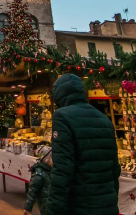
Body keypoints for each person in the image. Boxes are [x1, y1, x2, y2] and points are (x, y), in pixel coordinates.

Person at [44, 74, 120, 215]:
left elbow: (62, 170)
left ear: (59, 95)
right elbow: (114, 168)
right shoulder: (105, 120)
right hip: (108, 205)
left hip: (81, 205)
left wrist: (52, 211)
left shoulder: (62, 117)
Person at [23, 145, 53, 215]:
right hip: (45, 205)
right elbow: (32, 192)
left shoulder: (51, 170)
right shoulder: (39, 174)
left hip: (52, 203)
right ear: (46, 159)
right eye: (52, 158)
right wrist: (28, 208)